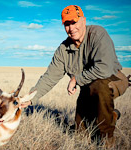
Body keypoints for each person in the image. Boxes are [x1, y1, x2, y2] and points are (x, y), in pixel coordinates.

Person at [22, 5, 130, 148]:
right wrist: (31, 98)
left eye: (74, 22)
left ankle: (107, 139)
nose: (71, 28)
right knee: (80, 134)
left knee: (99, 86)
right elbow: (50, 77)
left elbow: (104, 68)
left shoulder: (98, 34)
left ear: (83, 21)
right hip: (87, 88)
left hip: (113, 80)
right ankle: (113, 115)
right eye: (67, 24)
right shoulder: (63, 49)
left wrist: (76, 80)